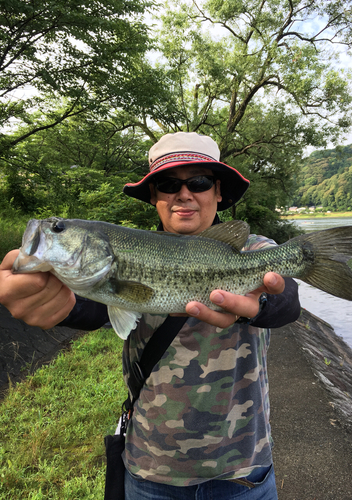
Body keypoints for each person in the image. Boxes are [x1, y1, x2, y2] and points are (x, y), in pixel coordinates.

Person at [0, 132, 300, 499]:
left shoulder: (252, 248)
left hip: (242, 472)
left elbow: (288, 301)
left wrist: (263, 303)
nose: (184, 194)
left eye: (200, 182)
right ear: (155, 196)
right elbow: (89, 308)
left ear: (218, 191)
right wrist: (48, 301)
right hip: (151, 473)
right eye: (168, 184)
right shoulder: (129, 253)